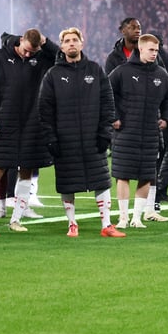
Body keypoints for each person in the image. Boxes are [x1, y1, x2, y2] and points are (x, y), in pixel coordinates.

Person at [39, 27, 125, 238]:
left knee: (101, 181)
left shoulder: (95, 70)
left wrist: (105, 133)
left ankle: (106, 224)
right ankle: (72, 223)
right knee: (67, 182)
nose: (71, 44)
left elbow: (108, 103)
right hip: (65, 139)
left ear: (82, 43)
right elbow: (45, 109)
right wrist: (51, 138)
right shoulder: (53, 75)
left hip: (92, 137)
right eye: (67, 41)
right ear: (61, 46)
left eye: (74, 40)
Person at [0, 29, 57, 233]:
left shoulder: (42, 56)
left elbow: (61, 56)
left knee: (27, 172)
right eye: (27, 50)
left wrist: (45, 43)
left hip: (33, 124)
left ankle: (15, 220)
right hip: (5, 124)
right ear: (20, 40)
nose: (30, 55)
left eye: (34, 51)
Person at [109, 34, 168, 229]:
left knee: (146, 175)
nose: (154, 54)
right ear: (140, 49)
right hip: (126, 131)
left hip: (150, 133)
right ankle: (122, 218)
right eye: (151, 50)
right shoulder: (122, 72)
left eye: (156, 50)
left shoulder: (162, 75)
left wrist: (167, 118)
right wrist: (113, 117)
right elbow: (106, 94)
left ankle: (136, 218)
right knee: (123, 175)